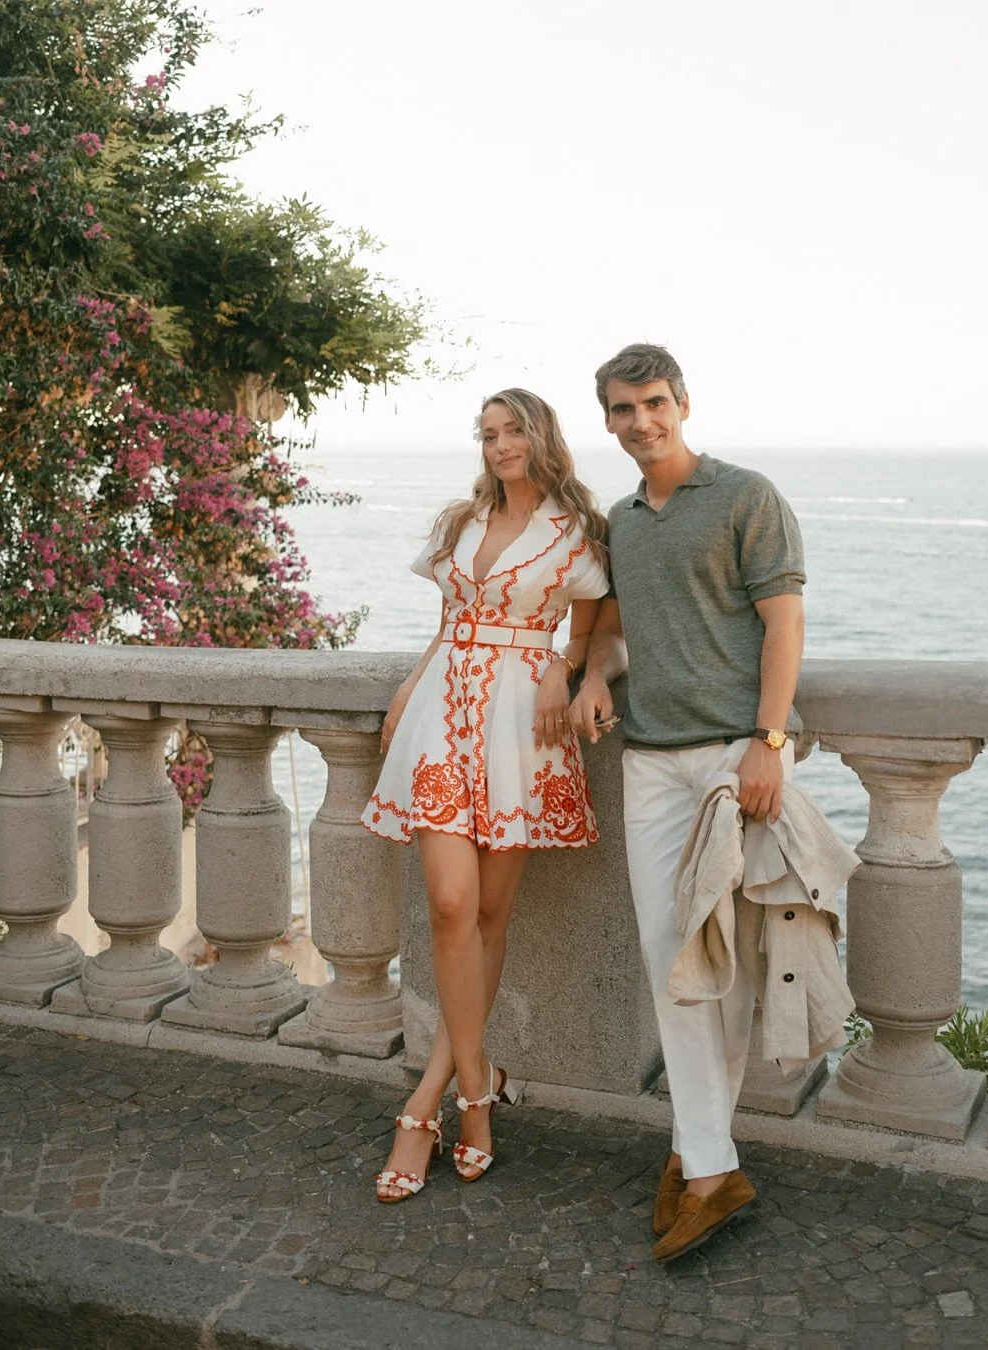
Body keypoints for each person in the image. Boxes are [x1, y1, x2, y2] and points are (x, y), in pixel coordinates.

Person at [569, 343, 807, 1262]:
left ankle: (700, 1157)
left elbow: (784, 622)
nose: (642, 422)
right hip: (651, 762)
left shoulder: (746, 497)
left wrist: (768, 743)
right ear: (608, 420)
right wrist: (594, 673)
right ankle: (706, 1159)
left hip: (729, 762)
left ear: (684, 403)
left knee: (732, 961)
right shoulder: (623, 522)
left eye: (655, 403)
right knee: (670, 952)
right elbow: (623, 631)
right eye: (624, 409)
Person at [361, 388, 609, 1203]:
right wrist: (407, 688)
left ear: (542, 437)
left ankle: (434, 1101)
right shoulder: (459, 522)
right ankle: (475, 1089)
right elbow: (446, 621)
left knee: (489, 918)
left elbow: (597, 626)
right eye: (490, 434)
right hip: (443, 708)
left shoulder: (578, 530)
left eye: (514, 431)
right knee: (449, 904)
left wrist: (561, 669)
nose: (501, 445)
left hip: (517, 726)